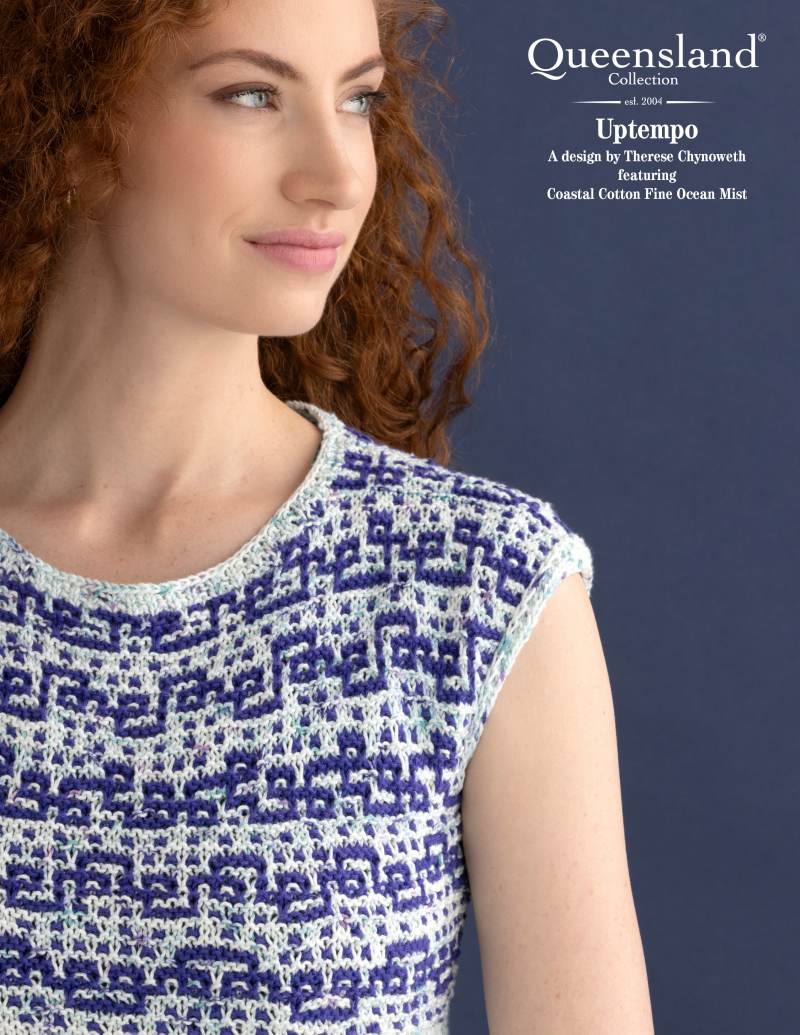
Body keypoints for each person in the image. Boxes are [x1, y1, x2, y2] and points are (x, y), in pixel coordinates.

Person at [0, 1, 655, 1032]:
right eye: (251, 94)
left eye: (358, 101)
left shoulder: (472, 587)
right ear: (69, 121)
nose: (339, 174)